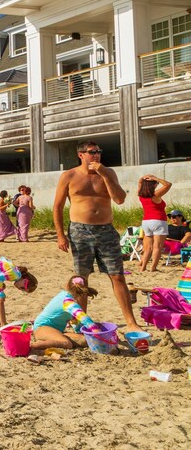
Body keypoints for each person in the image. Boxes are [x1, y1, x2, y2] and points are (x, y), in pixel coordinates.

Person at [53, 140, 143, 332]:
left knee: (118, 276)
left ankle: (130, 321)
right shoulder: (69, 175)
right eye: (92, 152)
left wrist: (105, 174)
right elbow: (58, 207)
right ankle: (81, 321)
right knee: (81, 279)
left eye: (99, 152)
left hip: (106, 230)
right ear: (81, 155)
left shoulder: (108, 173)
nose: (96, 155)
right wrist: (60, 235)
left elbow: (119, 199)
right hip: (79, 231)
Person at [31, 275, 102, 351]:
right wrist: (96, 330)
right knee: (66, 343)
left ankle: (50, 339)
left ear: (67, 286)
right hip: (41, 328)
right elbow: (83, 317)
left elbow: (75, 320)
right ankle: (35, 345)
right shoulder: (68, 302)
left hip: (56, 331)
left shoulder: (66, 295)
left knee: (85, 340)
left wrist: (80, 331)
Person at [0, 257, 38, 326]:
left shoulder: (16, 271)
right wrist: (1, 293)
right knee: (0, 300)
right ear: (25, 281)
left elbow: (3, 259)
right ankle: (3, 323)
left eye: (22, 290)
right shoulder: (16, 275)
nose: (20, 289)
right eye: (23, 288)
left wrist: (1, 285)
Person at [137, 174, 172, 273]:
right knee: (158, 246)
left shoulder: (141, 195)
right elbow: (168, 184)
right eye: (156, 183)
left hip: (146, 222)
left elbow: (139, 183)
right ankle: (153, 268)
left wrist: (143, 178)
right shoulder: (155, 195)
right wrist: (156, 178)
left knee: (148, 247)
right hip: (158, 220)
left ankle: (143, 267)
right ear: (153, 185)